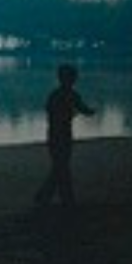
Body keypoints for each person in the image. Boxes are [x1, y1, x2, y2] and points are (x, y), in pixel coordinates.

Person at [34, 64, 95, 207]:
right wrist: (86, 112)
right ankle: (60, 197)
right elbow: (84, 110)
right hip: (63, 134)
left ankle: (50, 196)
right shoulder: (72, 95)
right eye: (73, 77)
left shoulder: (55, 94)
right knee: (61, 166)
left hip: (54, 134)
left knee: (60, 165)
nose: (74, 80)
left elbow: (50, 113)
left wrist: (72, 113)